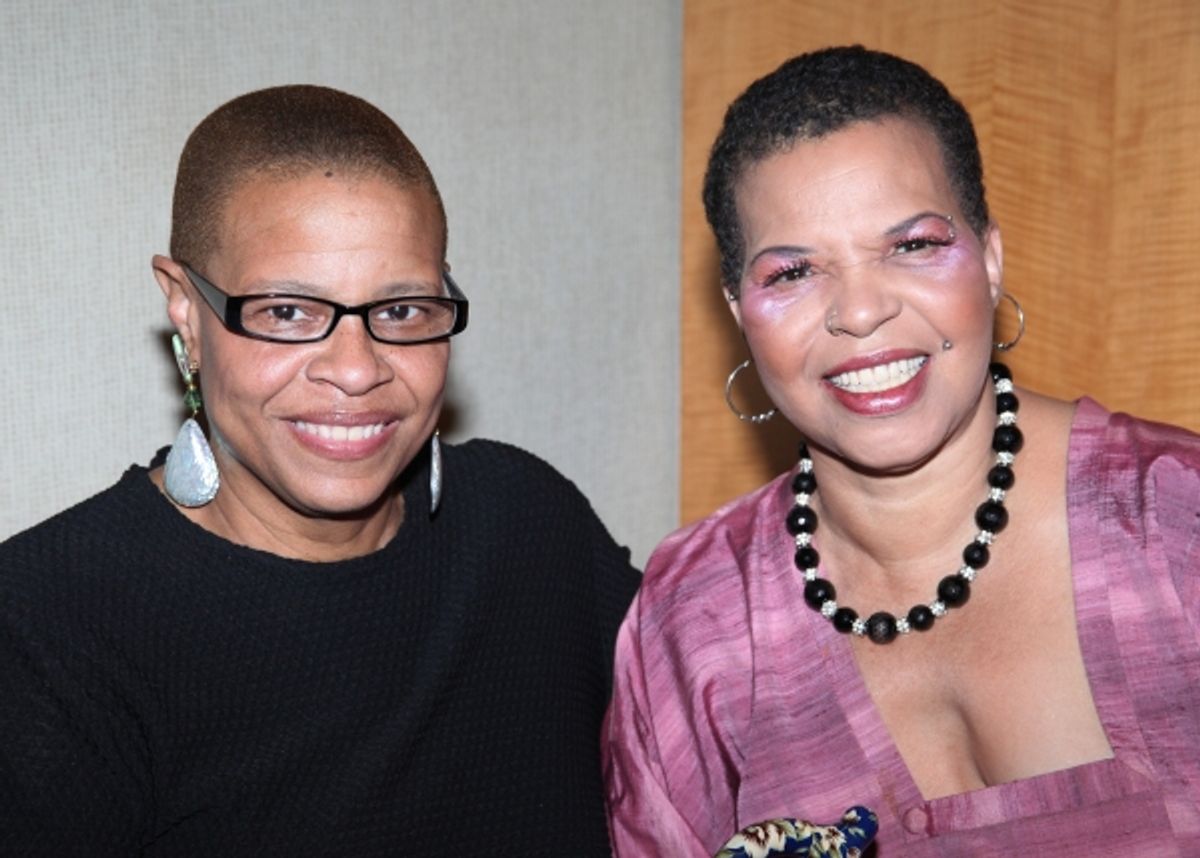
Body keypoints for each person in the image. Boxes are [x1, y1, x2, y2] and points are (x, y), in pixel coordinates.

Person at [0, 85, 639, 855]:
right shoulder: (44, 627)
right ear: (184, 310)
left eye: (401, 311)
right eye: (287, 312)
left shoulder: (532, 530)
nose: (356, 369)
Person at [604, 45, 1200, 856]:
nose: (859, 311)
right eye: (792, 272)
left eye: (912, 246)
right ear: (739, 309)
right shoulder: (698, 624)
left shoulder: (1176, 525)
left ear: (989, 259)